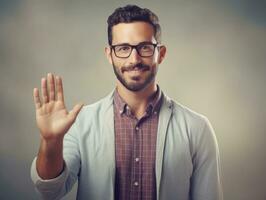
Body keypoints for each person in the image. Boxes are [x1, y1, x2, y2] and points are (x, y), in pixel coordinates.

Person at [31, 4, 223, 200]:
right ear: (109, 55)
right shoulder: (80, 123)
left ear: (161, 53)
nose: (134, 59)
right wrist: (51, 141)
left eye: (145, 48)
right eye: (123, 48)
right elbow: (50, 190)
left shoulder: (197, 128)